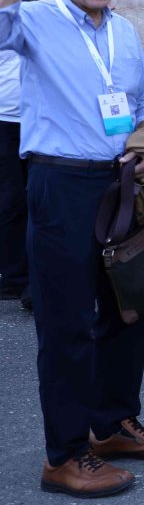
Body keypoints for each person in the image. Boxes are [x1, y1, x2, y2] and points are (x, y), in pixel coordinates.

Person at [0, 0, 144, 496]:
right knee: (68, 323)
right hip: (62, 184)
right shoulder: (35, 20)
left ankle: (114, 425)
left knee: (130, 308)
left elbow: (143, 99)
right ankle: (65, 454)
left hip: (122, 181)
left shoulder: (124, 30)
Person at [0, 35, 25, 312]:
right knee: (11, 199)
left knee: (43, 197)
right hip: (4, 119)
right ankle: (14, 277)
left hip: (40, 117)